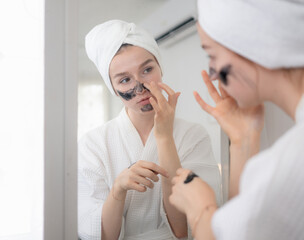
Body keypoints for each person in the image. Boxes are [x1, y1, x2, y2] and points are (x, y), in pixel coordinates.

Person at [168, 0, 304, 239]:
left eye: (212, 55)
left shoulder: (291, 162)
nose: (211, 73)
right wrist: (243, 140)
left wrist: (201, 207)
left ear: (251, 46)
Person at [78, 20, 222, 240]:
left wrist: (164, 138)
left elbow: (187, 229)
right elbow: (98, 235)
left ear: (159, 68)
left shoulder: (193, 136)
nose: (140, 87)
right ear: (114, 89)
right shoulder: (93, 144)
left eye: (147, 70)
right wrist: (118, 190)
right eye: (125, 80)